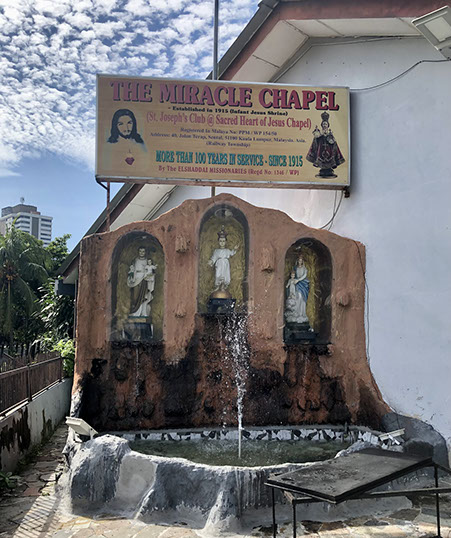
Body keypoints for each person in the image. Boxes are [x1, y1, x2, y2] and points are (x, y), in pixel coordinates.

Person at [306, 111, 345, 177]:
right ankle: (322, 169)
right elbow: (315, 143)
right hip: (320, 151)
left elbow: (334, 144)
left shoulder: (330, 134)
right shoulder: (319, 134)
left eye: (326, 124)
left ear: (328, 125)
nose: (324, 125)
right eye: (323, 124)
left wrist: (332, 140)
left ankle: (330, 169)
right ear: (322, 125)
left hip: (329, 153)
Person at [127, 247, 157, 317]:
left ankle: (143, 312)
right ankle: (135, 312)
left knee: (143, 295)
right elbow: (132, 269)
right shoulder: (135, 260)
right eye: (140, 251)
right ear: (138, 252)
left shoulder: (147, 261)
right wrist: (131, 274)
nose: (141, 253)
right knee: (135, 296)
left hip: (144, 279)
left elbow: (151, 271)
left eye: (143, 251)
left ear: (145, 252)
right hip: (136, 278)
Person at [208, 226, 238, 290]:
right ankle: (218, 286)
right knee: (218, 274)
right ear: (218, 241)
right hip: (219, 264)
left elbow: (232, 253)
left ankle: (224, 286)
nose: (222, 243)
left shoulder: (227, 250)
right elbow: (214, 258)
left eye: (223, 241)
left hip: (225, 264)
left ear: (226, 242)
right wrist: (211, 261)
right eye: (220, 241)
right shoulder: (216, 251)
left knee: (225, 275)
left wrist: (234, 249)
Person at [285, 254, 310, 324]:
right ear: (297, 261)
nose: (300, 262)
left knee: (302, 299)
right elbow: (293, 277)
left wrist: (298, 280)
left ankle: (302, 314)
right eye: (299, 261)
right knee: (297, 297)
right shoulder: (295, 268)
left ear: (302, 262)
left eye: (301, 261)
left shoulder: (304, 268)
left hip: (303, 284)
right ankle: (296, 313)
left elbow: (304, 275)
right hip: (296, 284)